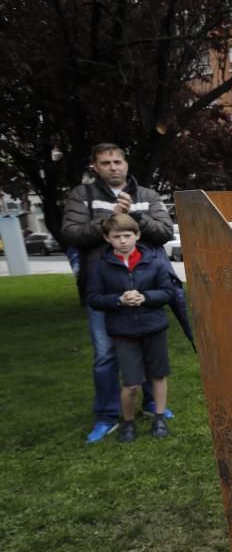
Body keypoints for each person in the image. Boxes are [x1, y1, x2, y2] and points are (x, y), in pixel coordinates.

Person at [62, 143, 175, 443]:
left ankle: (155, 406)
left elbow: (165, 232)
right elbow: (71, 233)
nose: (113, 167)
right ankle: (108, 415)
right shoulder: (82, 196)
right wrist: (109, 219)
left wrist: (133, 218)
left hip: (146, 283)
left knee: (152, 348)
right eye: (105, 162)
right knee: (104, 354)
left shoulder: (147, 195)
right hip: (104, 284)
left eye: (117, 161)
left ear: (126, 164)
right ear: (95, 167)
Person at [85, 215, 173, 442]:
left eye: (127, 235)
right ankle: (128, 421)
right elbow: (93, 298)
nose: (123, 241)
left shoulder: (153, 262)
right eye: (116, 237)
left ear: (137, 235)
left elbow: (167, 292)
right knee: (131, 383)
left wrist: (145, 297)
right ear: (107, 238)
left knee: (158, 375)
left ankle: (159, 416)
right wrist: (118, 300)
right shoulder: (101, 267)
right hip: (123, 331)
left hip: (153, 327)